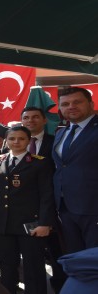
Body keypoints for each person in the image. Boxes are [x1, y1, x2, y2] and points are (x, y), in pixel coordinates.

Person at [0, 126, 55, 294]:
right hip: (3, 223)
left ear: (29, 141)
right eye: (12, 138)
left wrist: (45, 223)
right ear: (6, 141)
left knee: (33, 267)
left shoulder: (40, 162)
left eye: (21, 139)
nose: (16, 142)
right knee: (7, 265)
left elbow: (47, 195)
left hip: (30, 224)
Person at [21, 106, 66, 291]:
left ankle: (60, 286)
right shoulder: (15, 141)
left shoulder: (56, 142)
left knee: (56, 252)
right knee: (31, 255)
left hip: (51, 206)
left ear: (44, 120)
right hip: (24, 208)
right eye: (26, 118)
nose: (30, 121)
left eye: (35, 117)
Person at [52, 87, 98, 253]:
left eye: (77, 102)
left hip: (93, 208)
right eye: (65, 104)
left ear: (91, 104)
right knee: (75, 258)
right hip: (65, 208)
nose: (71, 106)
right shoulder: (61, 132)